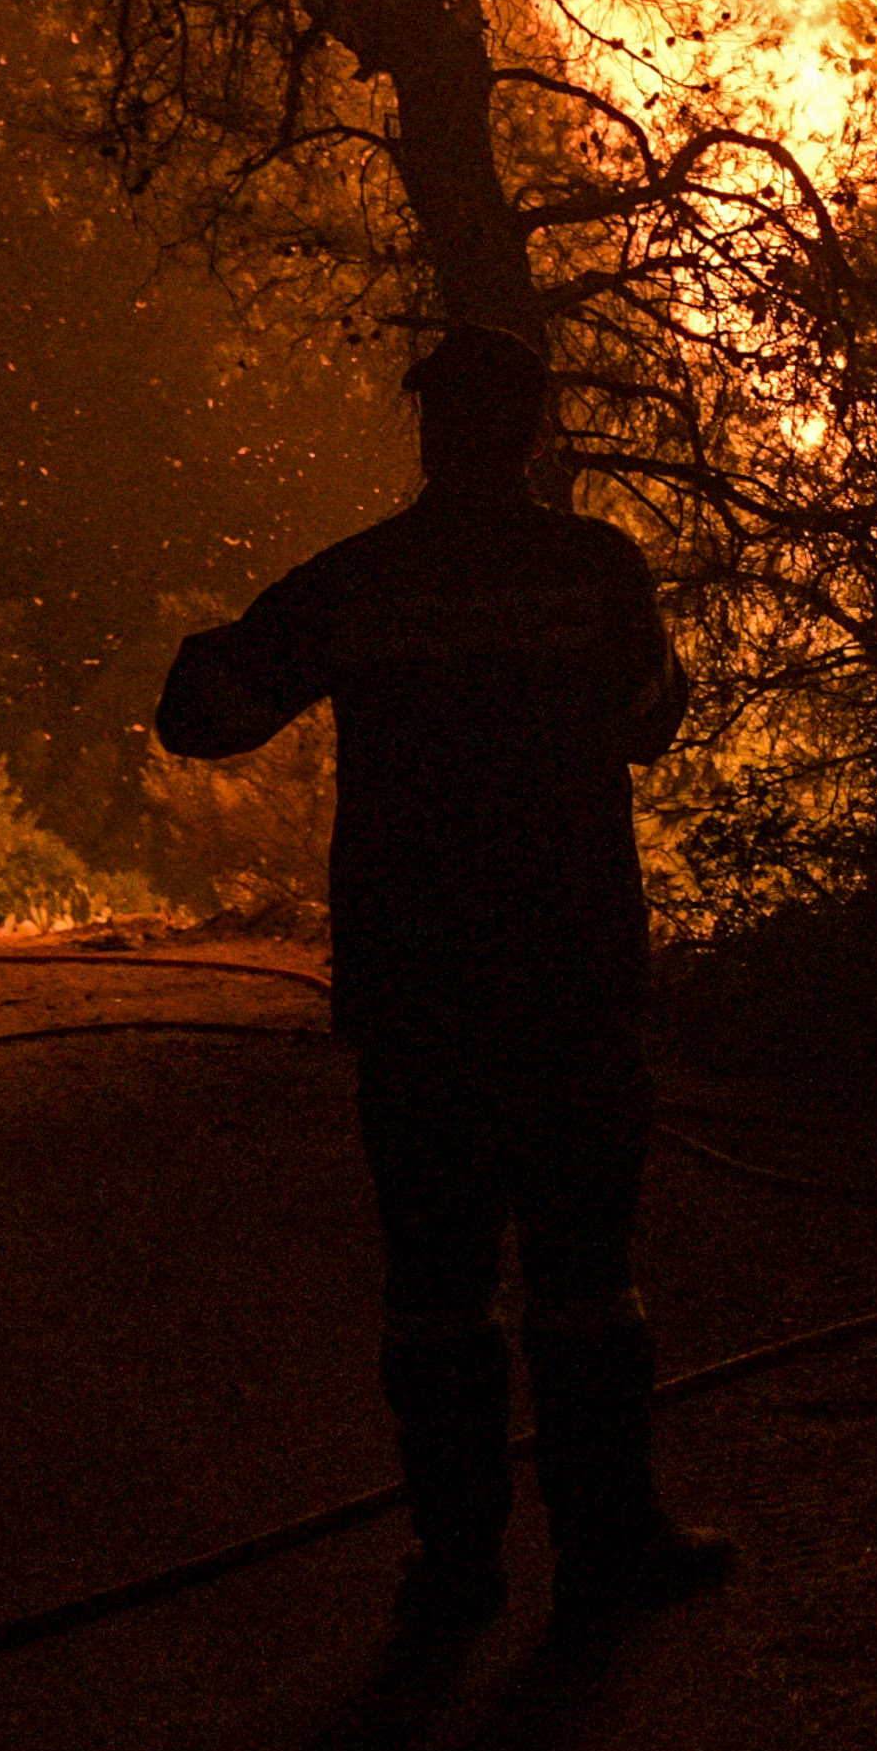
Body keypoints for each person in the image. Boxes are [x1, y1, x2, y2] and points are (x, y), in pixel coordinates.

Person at [156, 324, 729, 1633]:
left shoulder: (362, 581)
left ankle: (457, 1563)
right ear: (531, 430)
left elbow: (206, 714)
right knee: (585, 1271)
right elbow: (651, 721)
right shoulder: (593, 571)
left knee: (437, 1283)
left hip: (418, 987)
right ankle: (607, 1544)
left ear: (431, 429)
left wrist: (222, 650)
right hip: (569, 971)